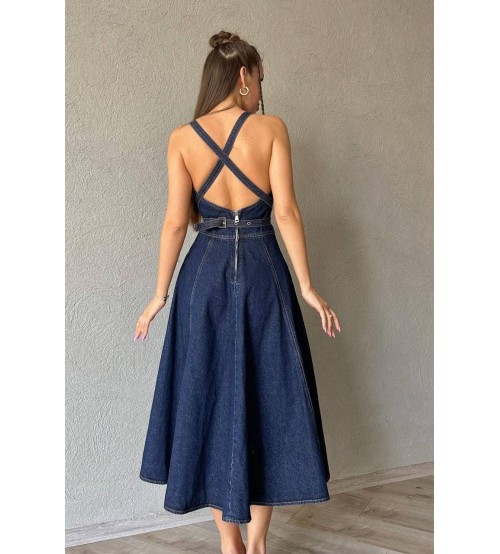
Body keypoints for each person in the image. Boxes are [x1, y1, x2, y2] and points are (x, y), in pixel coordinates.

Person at [135, 30, 341, 554]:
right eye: (260, 80)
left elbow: (175, 224)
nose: (261, 91)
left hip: (202, 278)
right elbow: (286, 212)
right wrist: (307, 286)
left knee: (206, 397)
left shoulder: (182, 138)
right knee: (267, 399)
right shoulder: (271, 129)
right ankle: (258, 543)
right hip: (263, 272)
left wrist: (159, 294)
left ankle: (229, 545)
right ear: (244, 76)